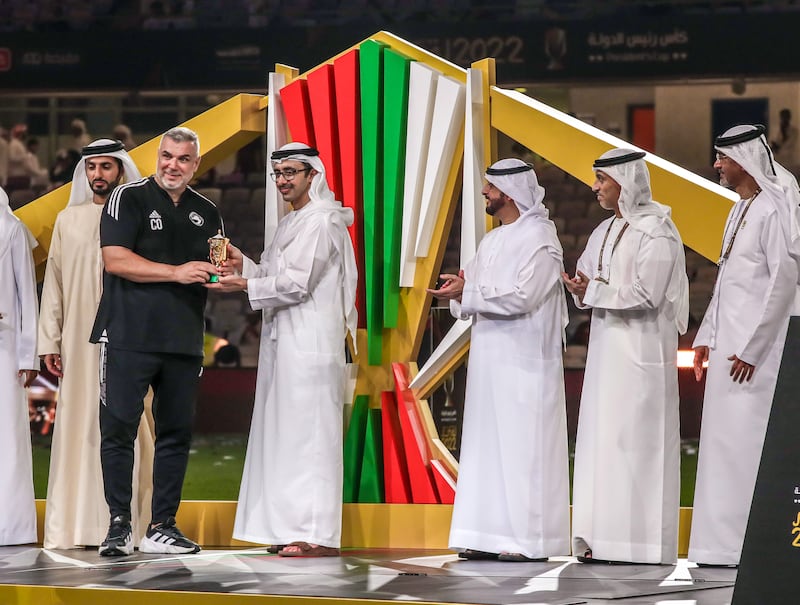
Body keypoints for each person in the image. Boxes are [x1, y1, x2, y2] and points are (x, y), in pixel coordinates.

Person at [212, 142, 357, 557]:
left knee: (311, 439)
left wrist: (246, 285)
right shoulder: (292, 223)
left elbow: (298, 284)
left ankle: (314, 533)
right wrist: (245, 265)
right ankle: (289, 526)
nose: (282, 181)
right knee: (286, 439)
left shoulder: (323, 221)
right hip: (285, 344)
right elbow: (278, 277)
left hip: (311, 345)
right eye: (277, 174)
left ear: (313, 174)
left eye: (291, 172)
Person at [428, 158, 570, 562]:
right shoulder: (492, 241)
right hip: (490, 359)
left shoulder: (542, 239)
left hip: (526, 362)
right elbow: (468, 288)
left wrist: (468, 292)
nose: (485, 193)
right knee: (486, 445)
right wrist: (457, 290)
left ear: (507, 192)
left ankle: (527, 540)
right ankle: (486, 534)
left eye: (489, 188)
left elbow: (524, 297)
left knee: (523, 446)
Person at [89, 127, 222, 556]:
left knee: (176, 434)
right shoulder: (127, 197)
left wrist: (228, 273)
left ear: (195, 165)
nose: (173, 165)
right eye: (167, 156)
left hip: (183, 339)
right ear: (156, 157)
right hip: (127, 334)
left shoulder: (209, 212)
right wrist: (177, 271)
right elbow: (115, 259)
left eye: (184, 159)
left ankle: (163, 525)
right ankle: (119, 525)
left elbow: (213, 269)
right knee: (118, 431)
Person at [563, 148, 689, 565]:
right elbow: (589, 276)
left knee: (639, 447)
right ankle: (601, 540)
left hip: (641, 355)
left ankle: (642, 545)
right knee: (603, 445)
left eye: (602, 179)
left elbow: (647, 293)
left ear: (626, 181)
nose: (595, 187)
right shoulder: (603, 231)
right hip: (605, 353)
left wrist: (593, 291)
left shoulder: (658, 231)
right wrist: (581, 288)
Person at [38, 138, 156, 550]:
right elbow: (54, 285)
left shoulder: (138, 217)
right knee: (77, 426)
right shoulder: (67, 221)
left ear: (121, 170)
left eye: (107, 167)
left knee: (129, 425)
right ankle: (74, 527)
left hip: (130, 341)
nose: (98, 175)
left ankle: (131, 526)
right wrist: (49, 340)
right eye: (92, 167)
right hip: (76, 341)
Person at [689, 124, 798, 567]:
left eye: (723, 158)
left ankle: (750, 548)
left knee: (749, 446)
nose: (716, 165)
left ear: (745, 161)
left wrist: (754, 349)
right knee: (722, 446)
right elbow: (726, 283)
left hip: (758, 356)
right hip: (728, 350)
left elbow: (784, 282)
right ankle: (721, 546)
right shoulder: (739, 210)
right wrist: (705, 337)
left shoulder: (773, 211)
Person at [0, 185, 38, 545]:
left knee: (7, 435)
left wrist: (29, 354)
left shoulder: (11, 228)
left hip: (5, 347)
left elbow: (26, 292)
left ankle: (10, 527)